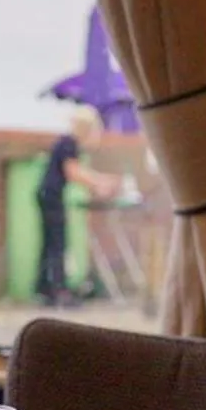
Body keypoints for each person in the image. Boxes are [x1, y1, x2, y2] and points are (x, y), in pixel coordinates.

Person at [35, 106, 120, 306]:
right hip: (52, 196)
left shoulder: (66, 143)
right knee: (57, 242)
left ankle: (44, 288)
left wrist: (99, 182)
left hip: (47, 195)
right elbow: (73, 172)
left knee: (49, 242)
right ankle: (58, 291)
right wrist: (101, 183)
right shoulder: (69, 143)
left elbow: (76, 171)